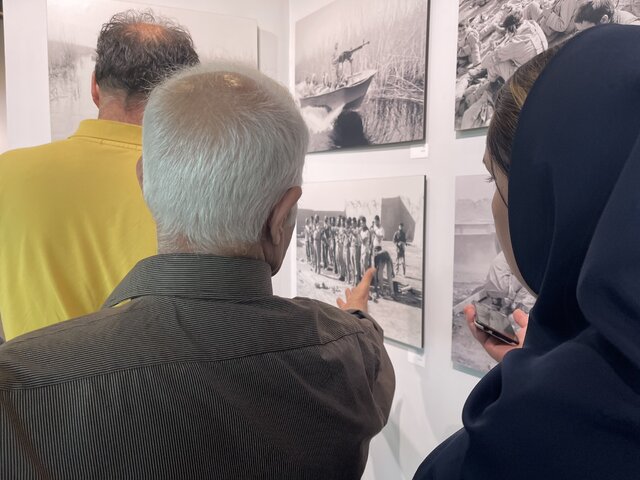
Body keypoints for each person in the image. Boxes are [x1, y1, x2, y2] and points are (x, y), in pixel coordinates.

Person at [0, 61, 395, 478]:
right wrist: (356, 316)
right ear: (281, 217)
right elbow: (369, 355)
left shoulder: (17, 386)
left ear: (144, 185)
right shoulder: (352, 352)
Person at [415, 25, 640, 478]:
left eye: (493, 183)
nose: (495, 207)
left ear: (549, 204)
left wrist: (546, 381)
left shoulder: (518, 445)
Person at [0, 10, 199, 341]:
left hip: (35, 389)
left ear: (94, 86)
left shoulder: (6, 174)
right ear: (184, 97)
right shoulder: (203, 186)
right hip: (162, 390)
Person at [483, 11, 548, 84]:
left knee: (495, 64)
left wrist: (495, 49)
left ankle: (492, 84)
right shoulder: (532, 24)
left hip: (529, 80)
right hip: (543, 65)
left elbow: (485, 63)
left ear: (511, 28)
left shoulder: (515, 43)